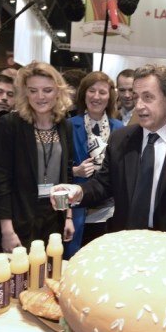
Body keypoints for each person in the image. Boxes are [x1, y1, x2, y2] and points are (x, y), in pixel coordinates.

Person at [51, 64, 166, 234]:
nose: (139, 105)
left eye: (148, 97)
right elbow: (103, 184)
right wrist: (78, 191)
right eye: (136, 97)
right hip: (124, 239)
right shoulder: (120, 139)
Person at [0, 61, 74, 252]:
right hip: (20, 216)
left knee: (49, 274)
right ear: (25, 92)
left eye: (47, 90)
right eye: (33, 90)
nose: (40, 97)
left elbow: (66, 176)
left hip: (55, 216)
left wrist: (67, 216)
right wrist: (6, 230)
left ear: (58, 92)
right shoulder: (10, 124)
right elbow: (1, 179)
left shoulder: (64, 125)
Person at [67, 71, 124, 257]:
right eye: (92, 91)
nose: (96, 97)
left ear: (110, 97)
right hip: (77, 208)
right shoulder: (68, 125)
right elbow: (56, 169)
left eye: (102, 92)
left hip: (109, 210)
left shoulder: (120, 129)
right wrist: (75, 170)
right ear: (84, 94)